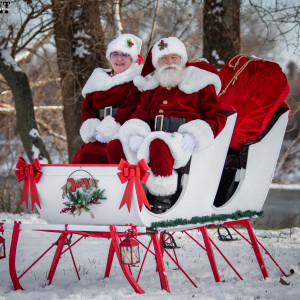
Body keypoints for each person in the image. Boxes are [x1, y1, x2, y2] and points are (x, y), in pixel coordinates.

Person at [108, 37, 227, 213]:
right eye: (163, 59)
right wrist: (135, 133)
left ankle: (162, 201)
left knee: (159, 143)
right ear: (157, 63)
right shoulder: (152, 87)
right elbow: (140, 114)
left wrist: (195, 135)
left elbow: (217, 116)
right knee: (116, 146)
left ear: (182, 59)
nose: (169, 62)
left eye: (174, 57)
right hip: (153, 137)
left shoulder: (199, 82)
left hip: (183, 142)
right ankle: (135, 193)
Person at [71, 34, 143, 164]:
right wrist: (90, 125)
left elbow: (130, 106)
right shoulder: (98, 77)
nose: (119, 59)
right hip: (97, 132)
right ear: (109, 57)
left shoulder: (136, 79)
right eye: (115, 54)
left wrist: (111, 127)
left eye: (125, 55)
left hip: (121, 130)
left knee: (109, 157)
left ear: (132, 59)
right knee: (83, 158)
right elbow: (87, 106)